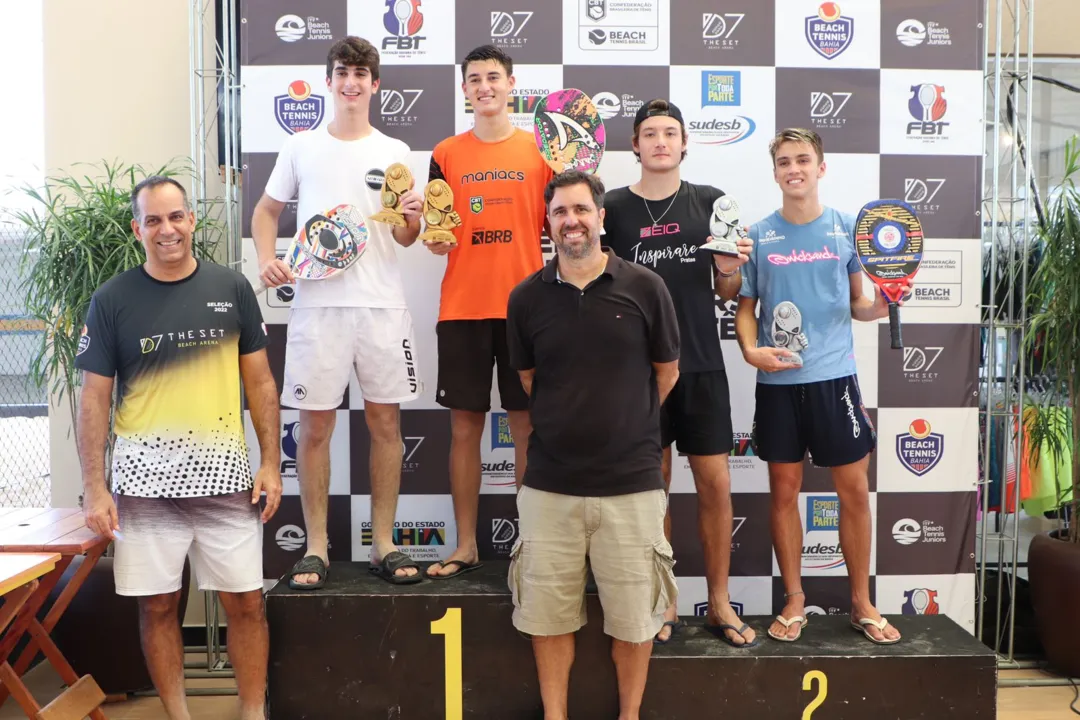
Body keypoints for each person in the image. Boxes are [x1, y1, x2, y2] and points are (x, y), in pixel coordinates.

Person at [77, 176, 281, 720]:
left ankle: (252, 711)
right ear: (137, 229)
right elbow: (94, 400)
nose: (166, 229)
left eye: (175, 217)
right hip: (144, 488)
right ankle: (178, 714)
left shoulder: (232, 287)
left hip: (226, 481)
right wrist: (95, 488)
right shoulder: (111, 299)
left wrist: (270, 463)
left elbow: (260, 383)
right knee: (159, 606)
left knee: (246, 603)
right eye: (153, 220)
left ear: (191, 220)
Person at [506, 170, 681, 720]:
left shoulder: (646, 288)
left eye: (581, 209)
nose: (571, 221)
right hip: (549, 489)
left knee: (634, 624)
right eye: (559, 212)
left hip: (630, 487)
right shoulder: (525, 298)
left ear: (602, 217)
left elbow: (666, 373)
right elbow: (530, 380)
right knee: (547, 622)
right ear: (549, 222)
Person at [253, 36, 425, 588]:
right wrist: (266, 259)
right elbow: (265, 211)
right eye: (342, 72)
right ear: (329, 81)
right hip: (317, 308)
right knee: (315, 427)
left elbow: (405, 235)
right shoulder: (301, 146)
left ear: (376, 84)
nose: (351, 82)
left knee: (385, 423)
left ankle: (385, 545)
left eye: (361, 73)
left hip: (381, 307)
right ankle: (318, 547)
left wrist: (413, 217)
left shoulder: (395, 151)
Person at [735, 128, 908, 645]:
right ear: (775, 172)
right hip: (779, 383)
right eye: (784, 161)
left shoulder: (845, 228)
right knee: (783, 493)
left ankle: (861, 602)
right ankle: (794, 600)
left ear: (821, 167)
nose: (794, 169)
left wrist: (879, 307)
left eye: (803, 159)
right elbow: (746, 311)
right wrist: (749, 350)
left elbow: (858, 303)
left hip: (835, 380)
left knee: (854, 492)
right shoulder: (760, 234)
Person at [604, 99, 756, 648]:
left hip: (702, 366)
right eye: (650, 133)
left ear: (685, 143)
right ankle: (664, 602)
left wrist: (729, 271)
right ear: (636, 146)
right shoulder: (613, 208)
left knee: (715, 484)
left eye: (671, 133)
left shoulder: (710, 203)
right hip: (638, 375)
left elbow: (729, 292)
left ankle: (718, 602)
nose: (661, 142)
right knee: (655, 491)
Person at [423, 44, 553, 579]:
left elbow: (564, 227)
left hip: (527, 311)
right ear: (464, 89)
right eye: (474, 79)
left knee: (526, 428)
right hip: (462, 307)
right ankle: (465, 545)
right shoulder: (446, 153)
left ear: (511, 84)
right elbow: (436, 234)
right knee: (463, 430)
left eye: (493, 77)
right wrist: (433, 240)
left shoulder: (543, 152)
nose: (484, 86)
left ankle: (531, 549)